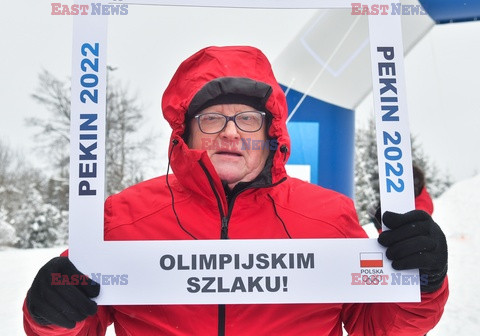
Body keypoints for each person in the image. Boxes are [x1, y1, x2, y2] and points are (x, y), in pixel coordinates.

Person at [23, 46, 449, 335]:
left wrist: (422, 281)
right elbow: (70, 325)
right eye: (211, 119)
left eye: (247, 119)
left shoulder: (329, 217)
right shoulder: (123, 217)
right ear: (185, 133)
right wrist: (48, 310)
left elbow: (378, 327)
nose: (230, 133)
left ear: (271, 133)